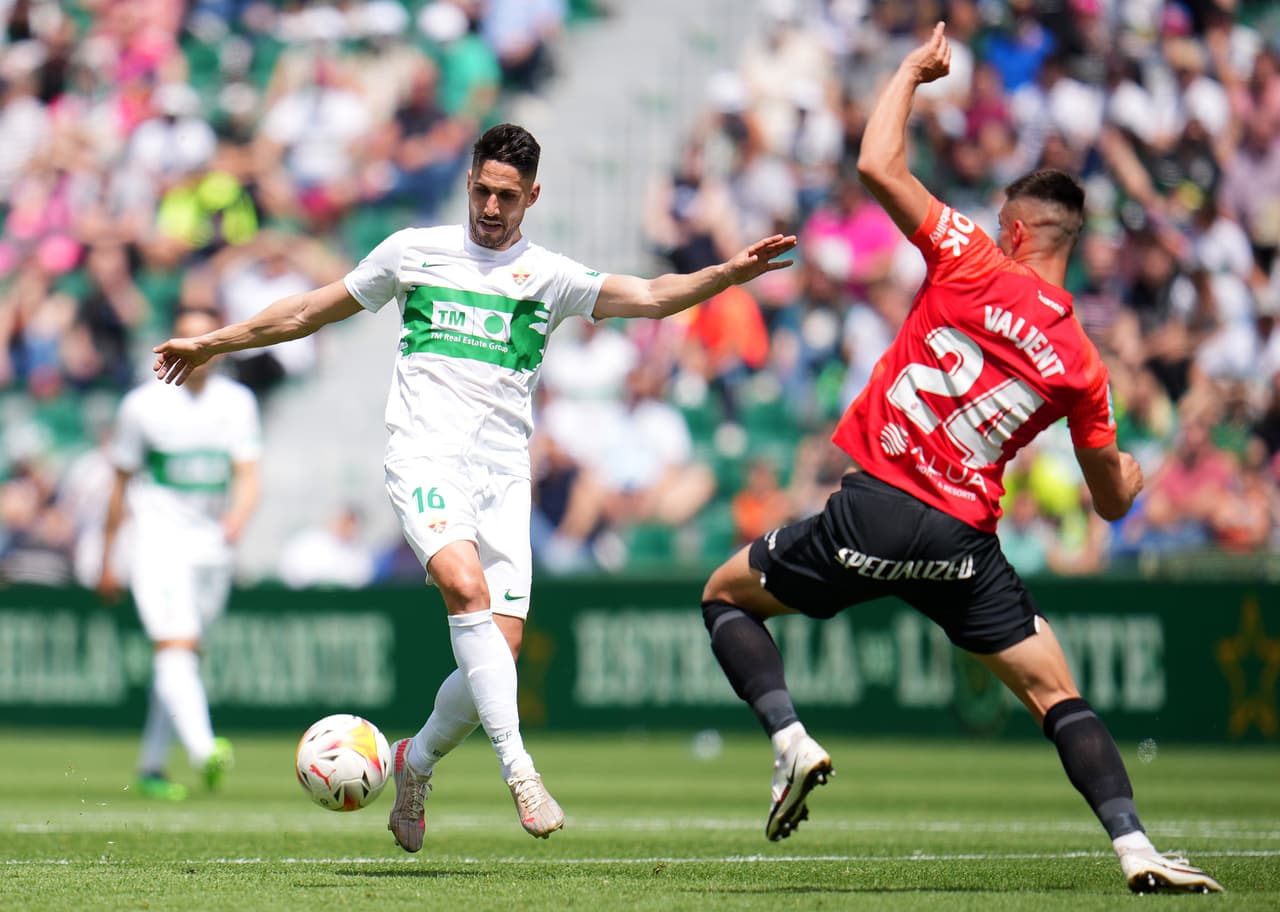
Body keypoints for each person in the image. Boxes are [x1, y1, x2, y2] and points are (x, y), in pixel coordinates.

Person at [150, 123, 796, 847]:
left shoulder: (547, 276)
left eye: (508, 196)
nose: (492, 207)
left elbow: (648, 294)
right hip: (424, 459)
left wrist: (727, 274)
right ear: (468, 183)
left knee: (500, 648)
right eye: (483, 190)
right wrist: (212, 342)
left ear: (533, 196)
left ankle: (415, 762)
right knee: (465, 589)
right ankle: (520, 771)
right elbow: (306, 310)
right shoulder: (413, 253)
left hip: (503, 477)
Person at [698, 25, 1223, 895]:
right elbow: (1111, 501)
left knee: (722, 597)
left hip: (872, 510)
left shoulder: (970, 256)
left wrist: (910, 70)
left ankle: (790, 740)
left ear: (1014, 230)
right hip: (959, 543)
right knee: (1056, 694)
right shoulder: (1084, 365)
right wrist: (1132, 474)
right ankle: (1136, 847)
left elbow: (876, 165)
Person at [98, 306, 261, 801]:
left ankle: (150, 765)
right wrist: (107, 557)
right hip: (156, 541)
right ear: (170, 345)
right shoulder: (141, 406)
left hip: (211, 548)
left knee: (183, 659)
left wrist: (237, 517)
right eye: (185, 337)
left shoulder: (237, 402)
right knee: (175, 646)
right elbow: (119, 485)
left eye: (204, 339)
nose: (195, 348)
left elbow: (249, 475)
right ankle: (204, 748)